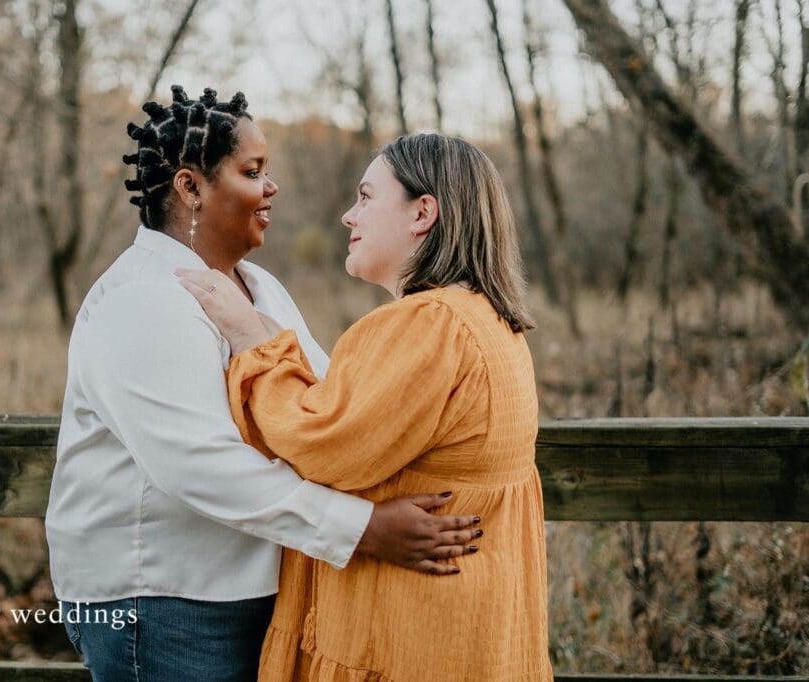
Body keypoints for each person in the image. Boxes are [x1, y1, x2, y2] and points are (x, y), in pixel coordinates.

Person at [45, 88, 483, 682]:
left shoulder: (258, 287)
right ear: (190, 187)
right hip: (161, 604)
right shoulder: (143, 300)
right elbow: (200, 465)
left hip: (250, 588)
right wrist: (361, 530)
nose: (271, 186)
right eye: (252, 172)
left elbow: (322, 405)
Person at [177, 133, 552, 681]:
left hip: (409, 638)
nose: (348, 216)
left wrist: (248, 338)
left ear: (423, 212)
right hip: (470, 631)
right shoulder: (490, 323)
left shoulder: (430, 325)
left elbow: (320, 442)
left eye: (367, 197)